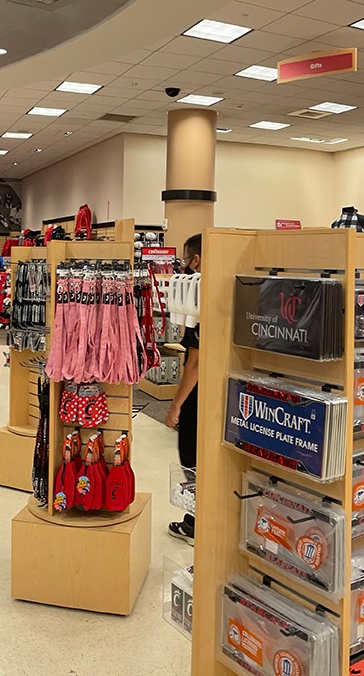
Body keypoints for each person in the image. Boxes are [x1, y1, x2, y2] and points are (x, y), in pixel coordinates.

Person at [165, 233, 201, 544]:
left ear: (196, 260)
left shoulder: (197, 301)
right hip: (220, 397)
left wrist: (176, 405)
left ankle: (193, 523)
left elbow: (195, 364)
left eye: (185, 259)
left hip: (197, 399)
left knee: (191, 458)